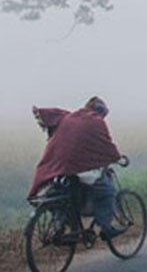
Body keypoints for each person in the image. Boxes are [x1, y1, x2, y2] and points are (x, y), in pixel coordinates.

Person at [28, 96, 128, 240]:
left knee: (62, 195)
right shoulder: (96, 121)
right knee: (108, 192)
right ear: (101, 112)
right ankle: (105, 228)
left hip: (59, 166)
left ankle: (60, 226)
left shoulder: (69, 118)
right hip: (80, 168)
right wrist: (118, 158)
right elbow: (106, 145)